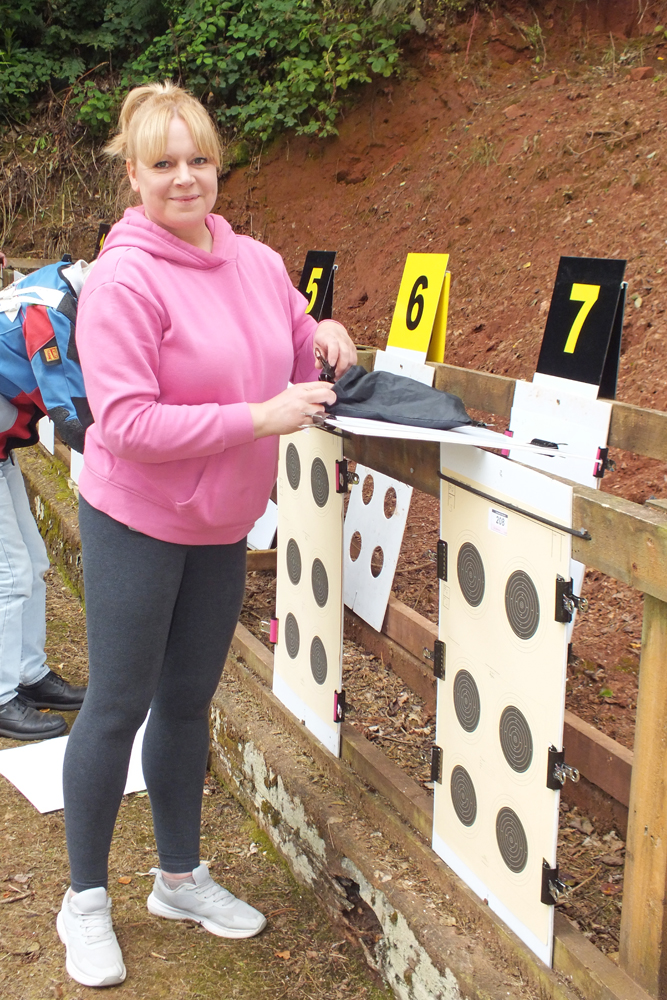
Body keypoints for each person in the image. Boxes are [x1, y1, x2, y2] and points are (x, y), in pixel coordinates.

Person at [58, 82, 357, 988]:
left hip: (222, 521)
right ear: (133, 173)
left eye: (198, 160)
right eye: (162, 164)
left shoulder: (257, 262)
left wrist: (329, 333)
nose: (184, 179)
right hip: (138, 518)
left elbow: (297, 340)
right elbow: (127, 425)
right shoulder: (122, 278)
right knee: (118, 703)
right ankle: (84, 903)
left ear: (217, 165)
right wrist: (259, 417)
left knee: (188, 701)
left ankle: (179, 878)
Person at [0, 253, 91, 740]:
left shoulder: (59, 283)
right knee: (10, 571)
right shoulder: (52, 310)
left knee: (32, 560)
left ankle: (29, 675)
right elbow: (71, 414)